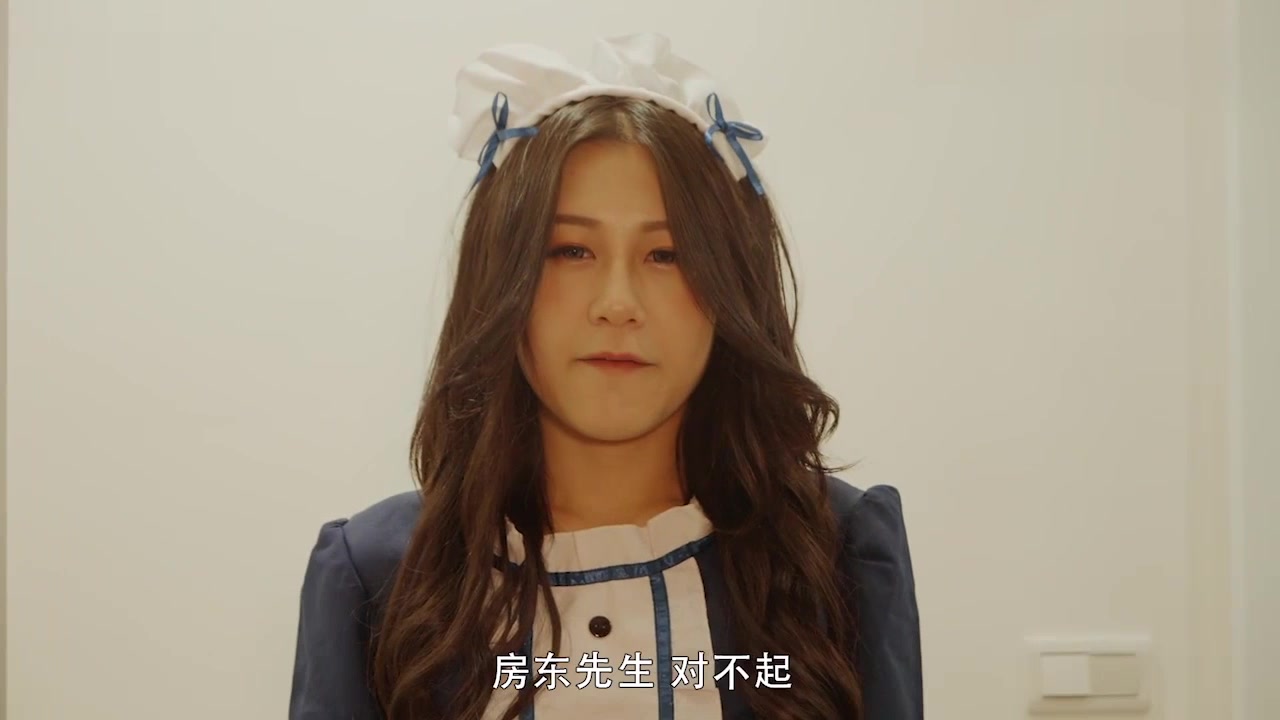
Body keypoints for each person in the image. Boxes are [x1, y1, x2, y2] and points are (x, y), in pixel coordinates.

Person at [289, 32, 922, 720]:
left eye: (667, 255)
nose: (617, 303)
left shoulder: (835, 553)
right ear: (501, 278)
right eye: (571, 250)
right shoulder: (376, 575)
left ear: (731, 289)